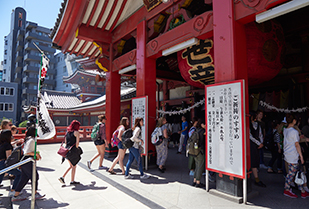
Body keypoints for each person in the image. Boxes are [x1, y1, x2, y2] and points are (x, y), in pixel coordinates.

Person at [11, 127, 45, 202]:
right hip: (27, 161)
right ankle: (35, 193)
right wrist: (36, 154)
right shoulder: (32, 140)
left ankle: (16, 195)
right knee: (35, 176)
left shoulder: (28, 139)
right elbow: (27, 152)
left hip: (25, 161)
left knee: (24, 178)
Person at [283, 114, 309, 198]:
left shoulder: (285, 130)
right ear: (294, 121)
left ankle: (302, 191)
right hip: (293, 155)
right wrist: (301, 156)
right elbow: (297, 144)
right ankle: (287, 190)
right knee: (292, 174)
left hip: (287, 154)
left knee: (296, 173)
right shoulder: (294, 132)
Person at [58, 120, 82, 185]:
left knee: (71, 165)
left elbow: (65, 142)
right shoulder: (76, 132)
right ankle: (72, 181)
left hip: (67, 151)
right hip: (73, 151)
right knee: (74, 166)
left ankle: (63, 177)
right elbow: (77, 144)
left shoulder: (67, 132)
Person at [0, 130, 21, 197]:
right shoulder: (7, 145)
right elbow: (8, 157)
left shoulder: (1, 143)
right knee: (19, 174)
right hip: (4, 163)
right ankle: (13, 190)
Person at [249, 112, 266, 187]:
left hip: (256, 144)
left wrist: (261, 143)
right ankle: (256, 179)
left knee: (255, 161)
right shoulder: (247, 124)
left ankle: (256, 179)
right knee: (253, 161)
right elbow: (250, 136)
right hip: (251, 144)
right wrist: (259, 143)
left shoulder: (257, 124)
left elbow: (260, 134)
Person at [192, 119, 206, 188]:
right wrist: (205, 128)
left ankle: (194, 181)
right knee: (200, 166)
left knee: (197, 166)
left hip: (195, 151)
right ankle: (198, 182)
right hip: (200, 151)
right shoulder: (203, 131)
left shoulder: (195, 131)